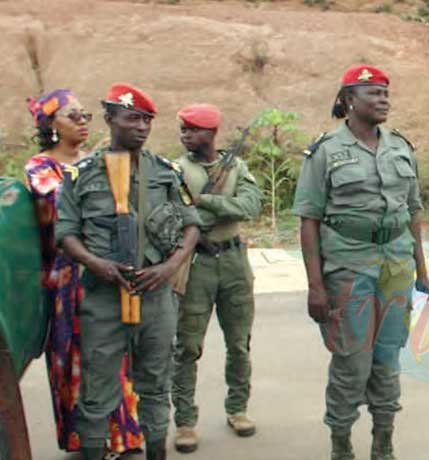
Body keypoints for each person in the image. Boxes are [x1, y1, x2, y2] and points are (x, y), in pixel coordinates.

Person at [55, 82, 201, 460]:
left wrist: (168, 267)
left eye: (147, 120)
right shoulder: (81, 174)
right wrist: (96, 263)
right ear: (109, 119)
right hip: (103, 299)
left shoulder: (166, 172)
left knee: (156, 386)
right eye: (132, 118)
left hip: (155, 295)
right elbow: (65, 232)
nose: (141, 127)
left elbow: (192, 225)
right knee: (97, 392)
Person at [293, 64, 429, 460]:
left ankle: (383, 444)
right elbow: (309, 220)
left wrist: (421, 271)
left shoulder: (400, 147)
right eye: (373, 93)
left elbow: (414, 212)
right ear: (349, 99)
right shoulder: (325, 152)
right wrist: (316, 286)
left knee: (388, 359)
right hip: (348, 267)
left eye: (386, 93)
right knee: (351, 362)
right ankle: (341, 445)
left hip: (395, 266)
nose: (383, 100)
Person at [24, 89, 145, 457]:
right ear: (51, 126)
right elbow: (67, 203)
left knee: (116, 352)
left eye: (85, 116)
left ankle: (123, 436)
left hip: (108, 271)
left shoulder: (97, 161)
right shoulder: (41, 168)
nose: (81, 122)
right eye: (72, 116)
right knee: (76, 356)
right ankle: (86, 439)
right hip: (69, 280)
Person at [171, 103, 263, 453]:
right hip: (197, 264)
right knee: (187, 346)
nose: (185, 136)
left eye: (192, 130)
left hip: (235, 262)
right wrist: (217, 206)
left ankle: (238, 409)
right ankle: (184, 420)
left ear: (210, 133)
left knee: (239, 343)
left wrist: (209, 202)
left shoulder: (236, 167)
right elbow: (179, 214)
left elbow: (250, 207)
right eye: (183, 130)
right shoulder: (176, 171)